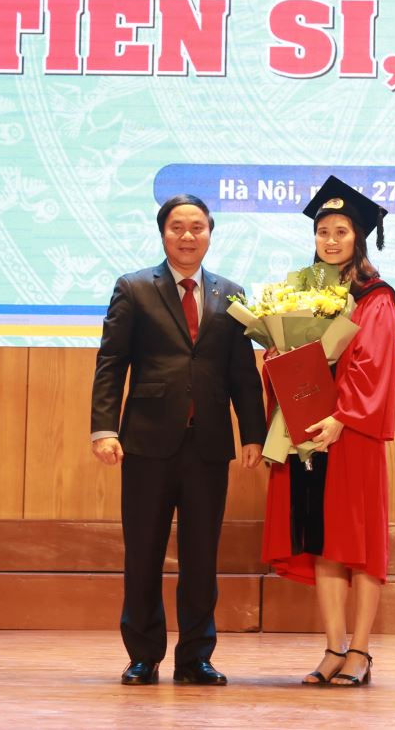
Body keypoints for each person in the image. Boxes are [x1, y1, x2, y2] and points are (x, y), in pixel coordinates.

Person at [90, 193, 267, 686]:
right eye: (177, 227)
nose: (187, 236)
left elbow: (242, 373)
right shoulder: (133, 288)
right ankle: (143, 655)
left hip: (208, 444)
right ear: (163, 232)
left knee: (201, 557)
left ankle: (195, 658)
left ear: (210, 233)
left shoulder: (231, 294)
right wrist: (104, 428)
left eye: (197, 227)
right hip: (146, 443)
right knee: (143, 553)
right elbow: (111, 364)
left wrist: (253, 433)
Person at [261, 176, 395, 687]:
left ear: (358, 237)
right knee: (322, 540)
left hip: (350, 433)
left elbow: (372, 363)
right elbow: (290, 356)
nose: (331, 240)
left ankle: (360, 651)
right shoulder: (302, 294)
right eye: (323, 231)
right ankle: (333, 647)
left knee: (357, 541)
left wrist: (342, 417)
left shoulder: (375, 296)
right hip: (308, 431)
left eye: (341, 231)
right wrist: (277, 357)